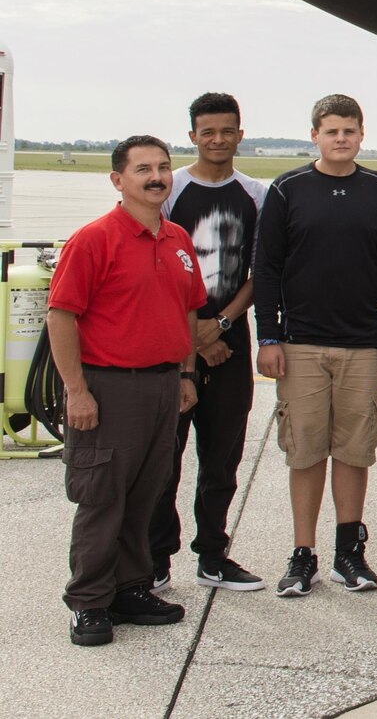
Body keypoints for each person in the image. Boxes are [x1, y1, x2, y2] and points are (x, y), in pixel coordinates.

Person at [48, 136, 205, 647]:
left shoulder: (178, 238)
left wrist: (184, 374)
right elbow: (61, 315)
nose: (156, 177)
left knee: (147, 494)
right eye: (143, 169)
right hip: (108, 387)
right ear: (119, 180)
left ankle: (130, 587)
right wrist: (77, 391)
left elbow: (188, 309)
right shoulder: (94, 239)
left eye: (162, 167)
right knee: (102, 498)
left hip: (163, 385)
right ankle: (90, 601)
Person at [254, 94, 377, 598]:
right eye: (331, 130)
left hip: (362, 343)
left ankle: (348, 552)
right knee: (304, 450)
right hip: (300, 343)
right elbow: (267, 267)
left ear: (362, 134)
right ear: (314, 135)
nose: (341, 138)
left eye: (350, 130)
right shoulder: (287, 189)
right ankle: (303, 555)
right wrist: (268, 335)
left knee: (355, 450)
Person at [151, 93, 267, 593]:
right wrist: (193, 339)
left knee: (221, 457)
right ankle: (154, 559)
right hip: (172, 341)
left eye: (227, 131)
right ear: (192, 135)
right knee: (163, 460)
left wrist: (218, 326)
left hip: (229, 338)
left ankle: (213, 555)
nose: (217, 140)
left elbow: (263, 272)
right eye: (207, 131)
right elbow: (155, 271)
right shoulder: (170, 190)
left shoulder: (257, 194)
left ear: (241, 134)